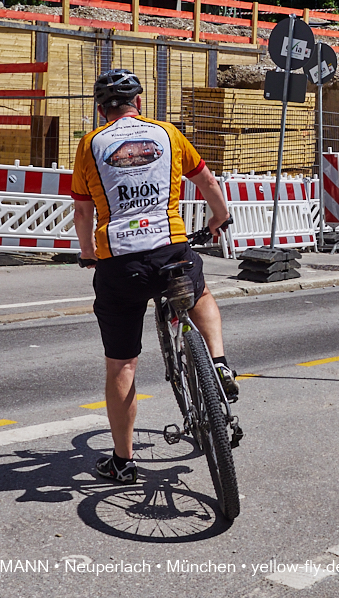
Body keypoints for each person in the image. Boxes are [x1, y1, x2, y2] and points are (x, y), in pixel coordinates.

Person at [72, 69, 236, 486]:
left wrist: (88, 253)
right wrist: (219, 218)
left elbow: (83, 210)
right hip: (170, 252)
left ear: (101, 110)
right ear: (139, 104)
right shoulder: (168, 133)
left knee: (122, 363)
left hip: (120, 264)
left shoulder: (90, 144)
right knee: (201, 295)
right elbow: (207, 180)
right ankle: (218, 362)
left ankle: (123, 462)